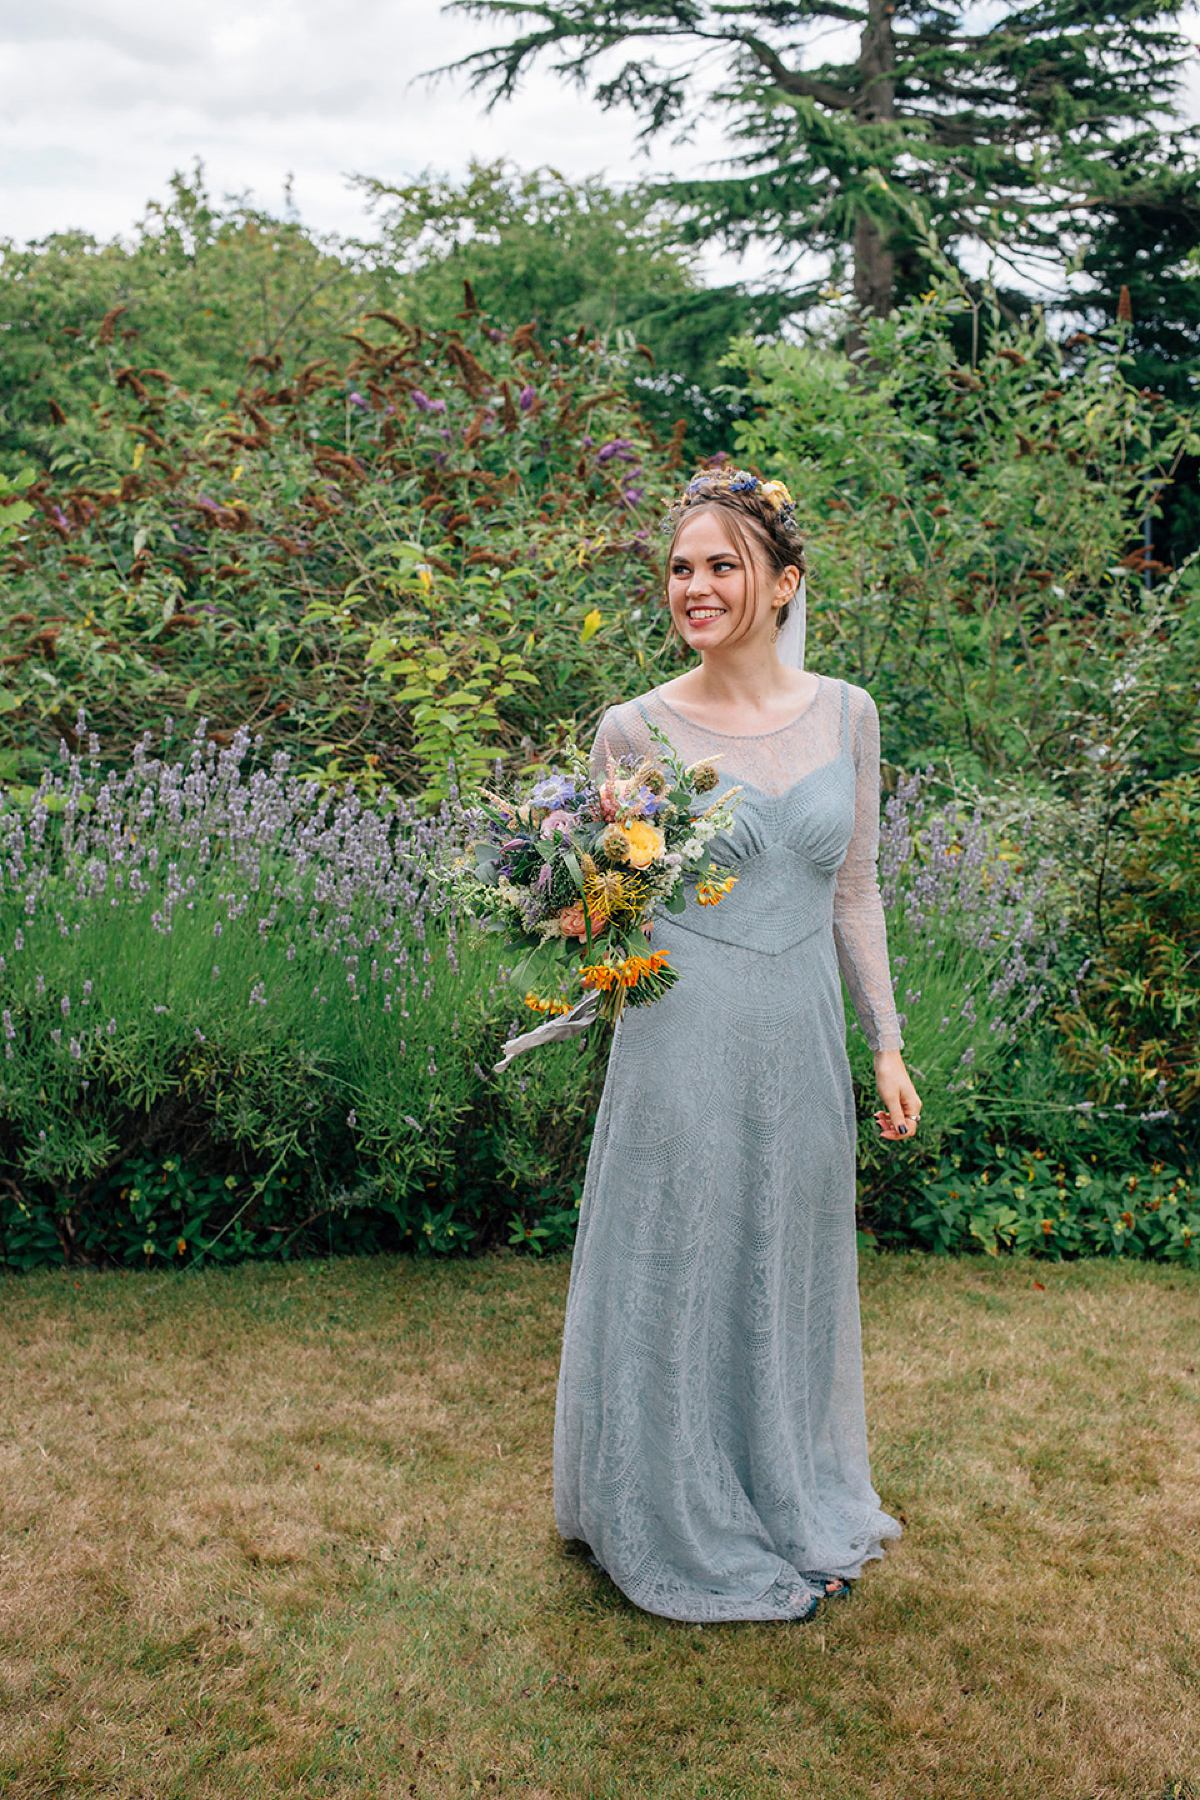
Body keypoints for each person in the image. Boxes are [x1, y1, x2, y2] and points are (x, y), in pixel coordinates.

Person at [553, 467, 921, 1623]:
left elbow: (854, 890)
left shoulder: (849, 713)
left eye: (722, 565)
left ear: (783, 583)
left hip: (802, 1032)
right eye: (680, 567)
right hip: (681, 1032)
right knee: (683, 1257)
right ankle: (666, 1506)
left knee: (783, 1257)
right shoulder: (636, 725)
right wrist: (570, 900)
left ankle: (785, 1494)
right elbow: (610, 898)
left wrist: (887, 1048)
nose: (696, 587)